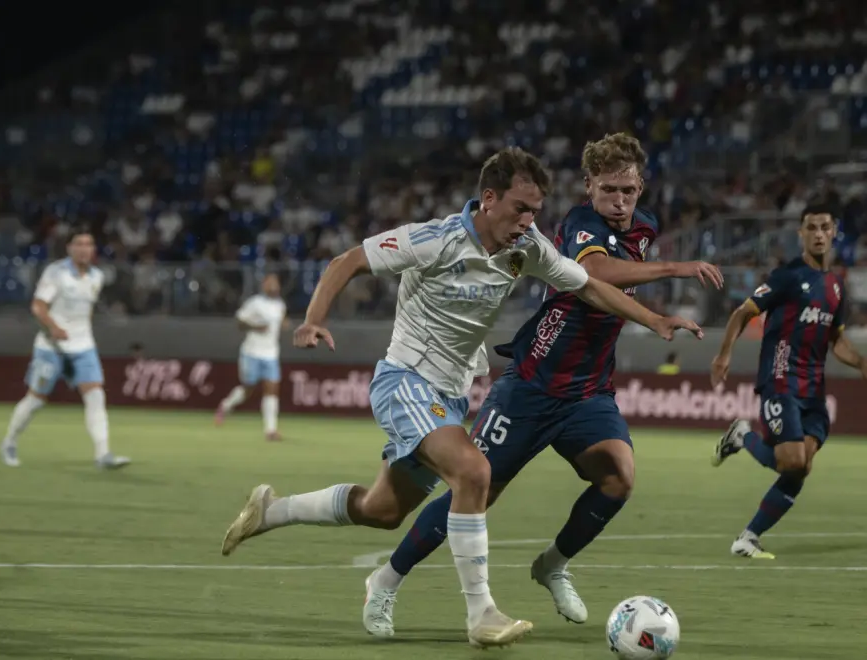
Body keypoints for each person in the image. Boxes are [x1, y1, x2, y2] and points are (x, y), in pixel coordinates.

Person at [219, 146, 701, 647]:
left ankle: (272, 510)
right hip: (404, 379)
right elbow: (348, 261)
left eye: (535, 210)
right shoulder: (436, 239)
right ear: (489, 199)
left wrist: (655, 320)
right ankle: (482, 614)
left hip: (450, 394)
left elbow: (588, 286)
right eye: (520, 208)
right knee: (474, 472)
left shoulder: (527, 246)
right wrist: (314, 319)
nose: (529, 221)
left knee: (383, 510)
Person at [362, 133, 718, 636]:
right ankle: (387, 579)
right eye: (610, 189)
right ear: (589, 185)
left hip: (590, 390)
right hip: (532, 384)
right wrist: (675, 271)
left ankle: (551, 564)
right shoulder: (578, 225)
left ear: (642, 190)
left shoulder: (645, 228)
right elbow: (595, 272)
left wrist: (654, 319)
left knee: (619, 476)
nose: (619, 201)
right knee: (476, 490)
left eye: (630, 192)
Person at [711, 203, 867, 558]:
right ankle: (743, 435)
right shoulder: (787, 276)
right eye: (810, 227)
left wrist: (860, 362)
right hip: (780, 380)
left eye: (824, 227)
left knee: (801, 467)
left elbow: (836, 339)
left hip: (814, 389)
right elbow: (743, 311)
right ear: (801, 233)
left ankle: (748, 537)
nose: (817, 234)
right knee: (793, 461)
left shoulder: (836, 287)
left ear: (833, 232)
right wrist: (724, 354)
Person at [0, 230, 130, 469]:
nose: (84, 248)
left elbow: (85, 312)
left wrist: (82, 333)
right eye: (79, 243)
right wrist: (55, 327)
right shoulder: (56, 273)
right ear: (69, 248)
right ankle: (9, 442)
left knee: (96, 395)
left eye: (89, 244)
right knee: (36, 400)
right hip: (52, 347)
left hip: (83, 346)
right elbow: (38, 306)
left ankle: (103, 454)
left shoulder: (97, 276)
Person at [215, 273, 289, 440]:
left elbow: (281, 321)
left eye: (275, 283)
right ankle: (226, 405)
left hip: (271, 353)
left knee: (272, 389)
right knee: (248, 388)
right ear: (264, 286)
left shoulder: (280, 305)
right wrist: (256, 327)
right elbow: (239, 322)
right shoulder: (255, 303)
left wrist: (284, 324)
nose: (273, 286)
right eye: (270, 283)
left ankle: (270, 430)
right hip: (251, 352)